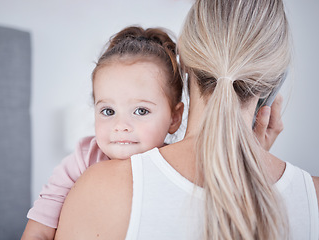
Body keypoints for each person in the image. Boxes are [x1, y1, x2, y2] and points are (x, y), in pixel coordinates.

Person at [54, 0, 319, 239]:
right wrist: (253, 157)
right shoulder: (314, 198)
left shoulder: (100, 188)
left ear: (184, 59)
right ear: (273, 81)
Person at [22, 24, 283, 239]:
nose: (120, 125)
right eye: (108, 111)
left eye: (141, 111)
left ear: (174, 117)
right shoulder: (81, 159)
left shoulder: (176, 167)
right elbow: (39, 230)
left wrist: (254, 154)